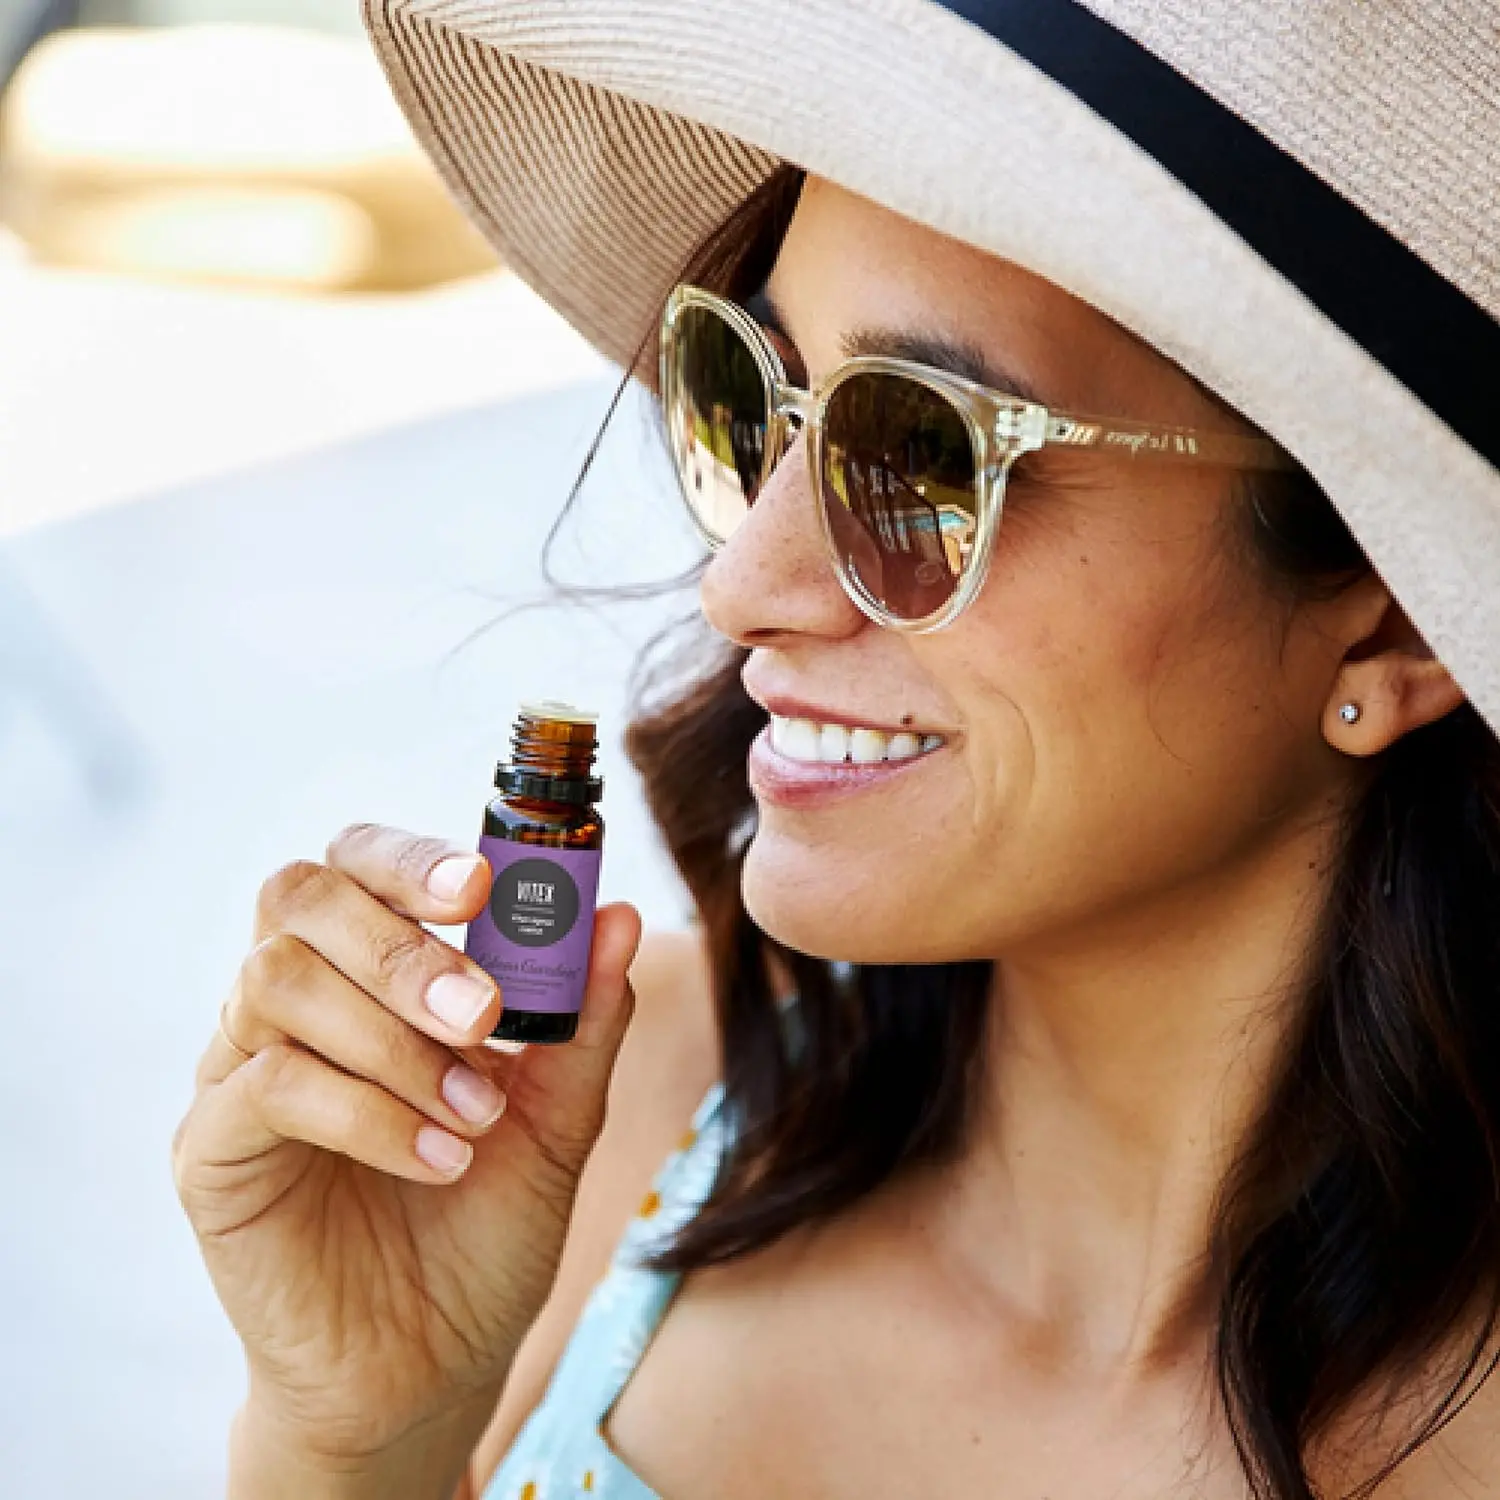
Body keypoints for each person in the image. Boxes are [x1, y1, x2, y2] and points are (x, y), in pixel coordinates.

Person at [171, 2, 1500, 1497]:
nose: (744, 583)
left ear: (1394, 625)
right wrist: (357, 1440)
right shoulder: (597, 1121)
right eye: (753, 398)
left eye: (924, 453)